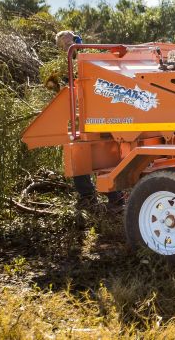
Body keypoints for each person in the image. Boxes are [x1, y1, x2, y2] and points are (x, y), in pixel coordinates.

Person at [54, 30, 124, 213]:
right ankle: (88, 198)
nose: (70, 47)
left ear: (78, 41)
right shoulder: (62, 68)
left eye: (71, 43)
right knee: (79, 156)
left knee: (105, 156)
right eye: (65, 45)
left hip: (100, 115)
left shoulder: (91, 60)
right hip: (79, 118)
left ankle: (116, 198)